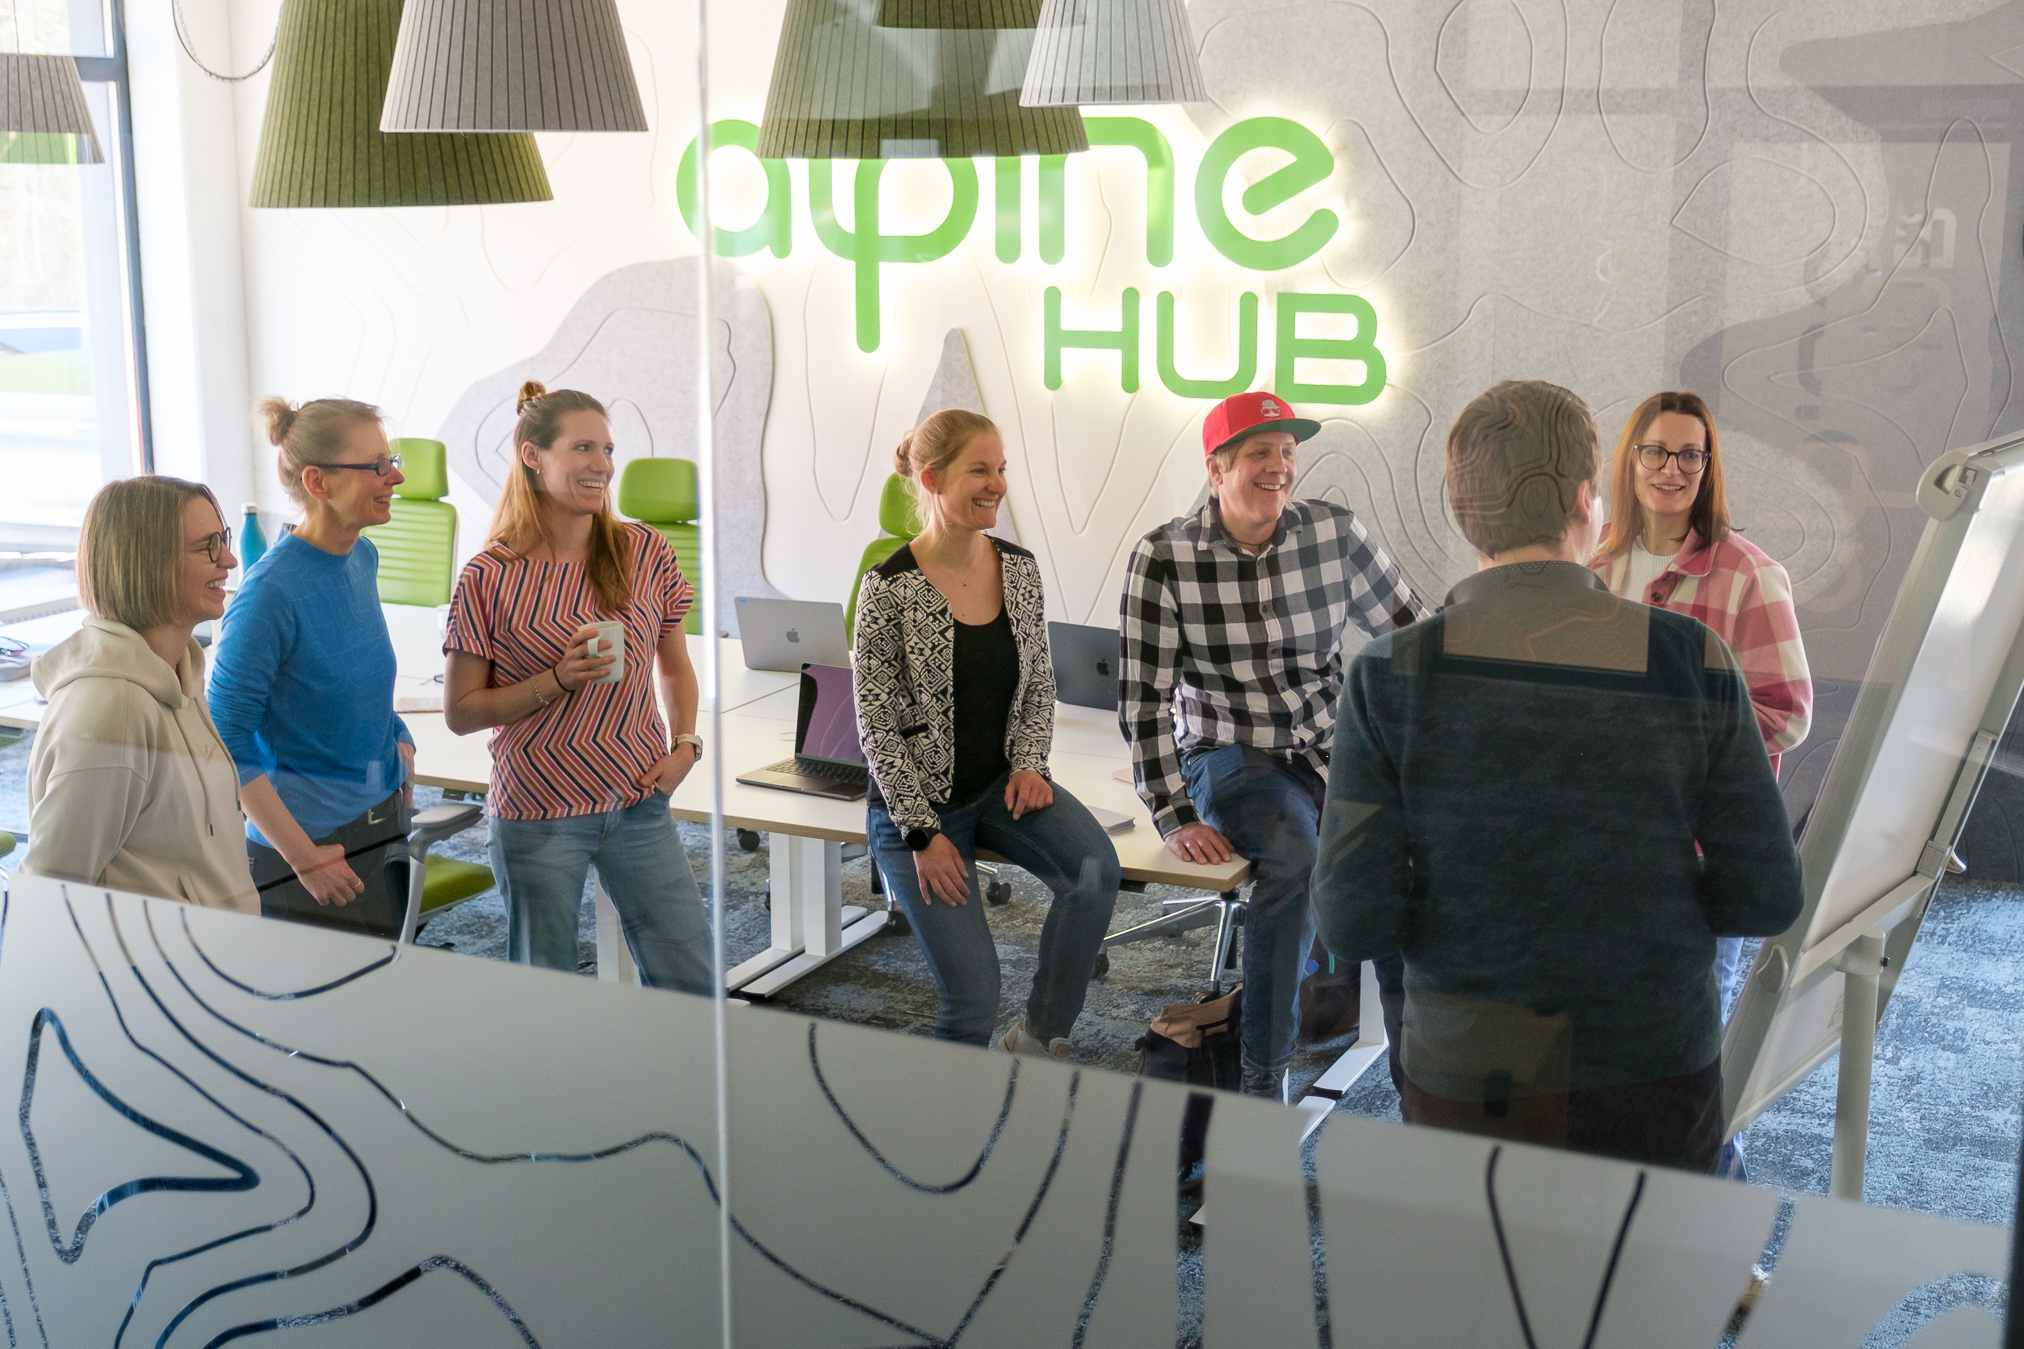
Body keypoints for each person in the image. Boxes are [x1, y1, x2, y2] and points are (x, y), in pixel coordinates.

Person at [1310, 379, 1805, 1172]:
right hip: (1653, 1068)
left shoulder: (1389, 673)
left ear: (1462, 510)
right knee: (1648, 1253)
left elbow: (1353, 922)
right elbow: (1766, 895)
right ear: (1586, 501)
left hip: (1464, 1072)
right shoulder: (1689, 659)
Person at [1119, 390, 1429, 1100]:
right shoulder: (1164, 557)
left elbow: (1415, 636)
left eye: (1288, 452)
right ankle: (1264, 1075)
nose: (1280, 466)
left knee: (1401, 854)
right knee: (1293, 853)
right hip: (1231, 751)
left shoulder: (1335, 535)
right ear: (1216, 468)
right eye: (1260, 452)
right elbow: (1143, 700)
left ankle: (1421, 1075)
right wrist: (1174, 813)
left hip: (1330, 745)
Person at [855, 410, 1120, 1055]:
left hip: (1001, 784)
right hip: (917, 809)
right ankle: (957, 1107)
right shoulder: (887, 587)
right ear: (931, 479)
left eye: (1000, 469)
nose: (997, 484)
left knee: (1094, 872)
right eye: (980, 470)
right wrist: (922, 835)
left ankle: (1039, 1037)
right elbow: (877, 725)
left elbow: (1037, 683)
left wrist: (1030, 762)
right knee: (974, 996)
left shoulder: (1019, 569)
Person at [442, 381, 711, 994]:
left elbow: (674, 666)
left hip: (639, 797)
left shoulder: (644, 550)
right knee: (548, 993)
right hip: (539, 808)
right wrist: (556, 680)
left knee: (692, 981)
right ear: (533, 456)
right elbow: (461, 711)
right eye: (583, 448)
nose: (603, 465)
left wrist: (686, 744)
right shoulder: (489, 576)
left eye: (608, 449)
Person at [1589, 389, 1813, 1010]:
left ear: (1708, 467)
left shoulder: (1750, 575)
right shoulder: (1591, 561)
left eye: (1691, 455)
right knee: (1603, 1014)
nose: (1673, 469)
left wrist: (1671, 734)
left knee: (1691, 1022)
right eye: (1656, 452)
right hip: (1601, 834)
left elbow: (1787, 715)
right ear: (1630, 459)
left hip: (1700, 850)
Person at [210, 397, 416, 937]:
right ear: (318, 482)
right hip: (310, 851)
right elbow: (224, 736)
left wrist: (397, 733)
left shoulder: (361, 557)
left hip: (379, 822)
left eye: (391, 461)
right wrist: (303, 858)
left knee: (389, 979)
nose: (395, 477)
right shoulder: (268, 594)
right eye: (377, 465)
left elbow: (355, 673)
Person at [22, 477, 258, 911]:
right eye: (208, 547)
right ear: (149, 563)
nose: (229, 559)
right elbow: (46, 893)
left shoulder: (179, 674)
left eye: (223, 540)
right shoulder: (115, 709)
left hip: (210, 949)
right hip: (157, 954)